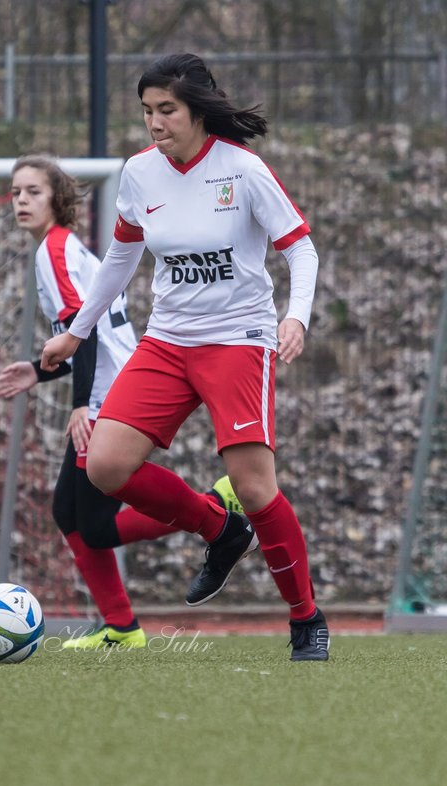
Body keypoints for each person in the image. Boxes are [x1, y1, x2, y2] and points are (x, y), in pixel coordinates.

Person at [39, 53, 329, 661]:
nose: (154, 122)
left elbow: (301, 250)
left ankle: (305, 618)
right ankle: (218, 529)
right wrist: (76, 331)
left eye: (165, 109)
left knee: (254, 487)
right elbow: (121, 257)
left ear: (196, 108)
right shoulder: (140, 173)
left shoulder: (243, 170)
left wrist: (295, 316)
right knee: (106, 467)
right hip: (167, 340)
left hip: (238, 341)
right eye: (146, 111)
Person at [0, 155, 239, 650]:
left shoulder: (54, 250)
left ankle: (213, 509)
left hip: (106, 393)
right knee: (68, 511)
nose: (21, 200)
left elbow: (86, 329)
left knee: (97, 528)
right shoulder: (63, 249)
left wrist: (81, 405)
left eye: (33, 191)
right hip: (106, 382)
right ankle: (121, 626)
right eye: (16, 192)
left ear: (57, 199)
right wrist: (38, 372)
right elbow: (85, 331)